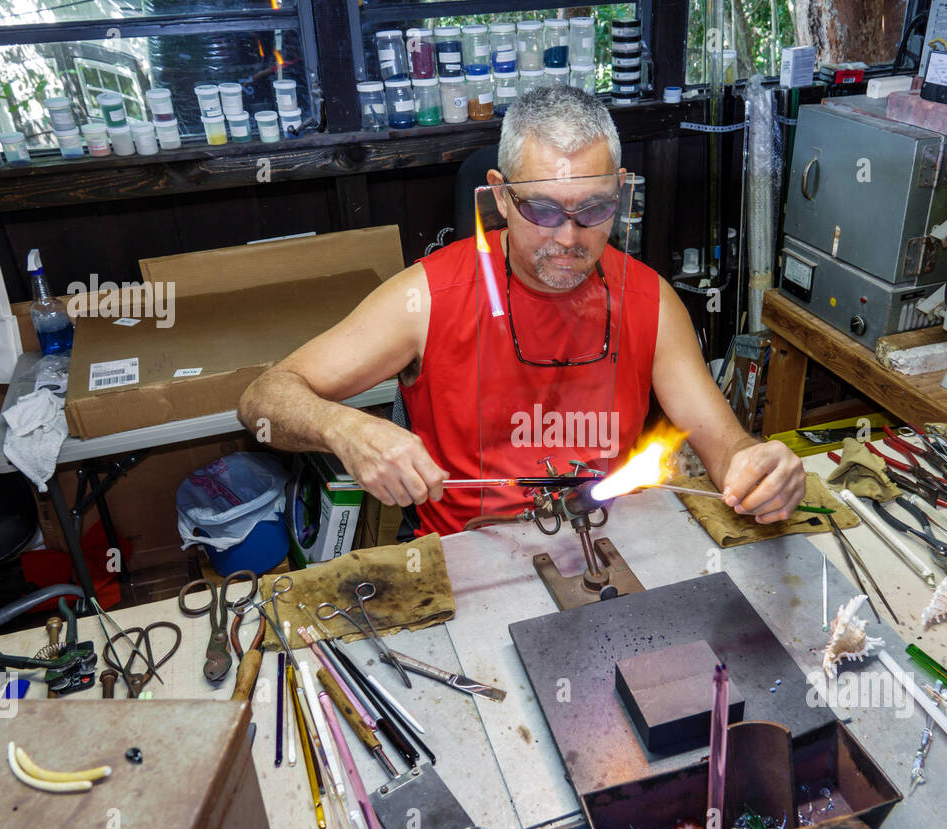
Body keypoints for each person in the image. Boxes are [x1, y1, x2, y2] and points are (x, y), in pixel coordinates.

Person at [239, 86, 805, 536]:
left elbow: (725, 444)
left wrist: (758, 469)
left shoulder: (650, 299)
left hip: (610, 543)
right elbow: (263, 397)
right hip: (474, 559)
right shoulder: (426, 299)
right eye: (542, 209)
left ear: (621, 191)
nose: (569, 237)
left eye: (595, 208)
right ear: (501, 196)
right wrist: (347, 430)